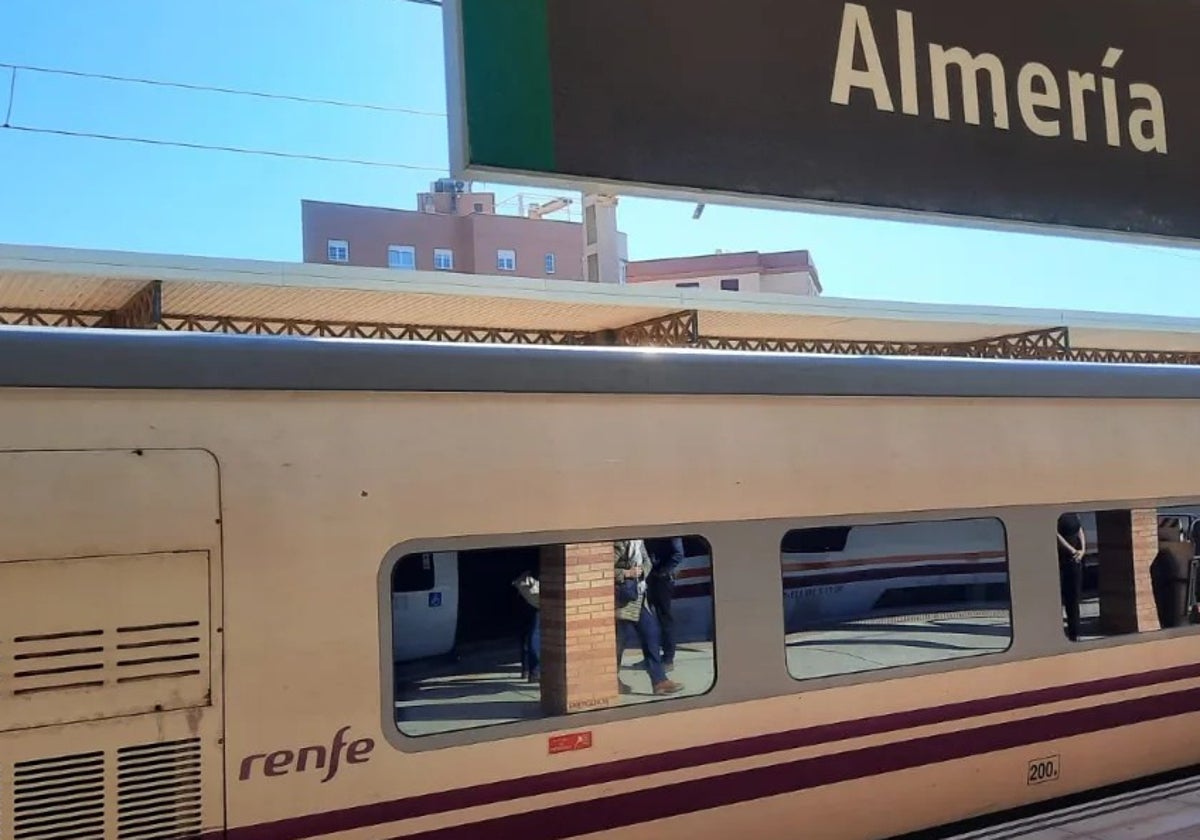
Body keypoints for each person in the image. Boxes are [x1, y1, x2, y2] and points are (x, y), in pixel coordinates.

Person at [614, 539, 683, 696]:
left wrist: (641, 572)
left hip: (639, 598)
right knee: (619, 644)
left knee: (651, 636)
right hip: (624, 601)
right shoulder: (620, 543)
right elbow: (603, 569)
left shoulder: (638, 541)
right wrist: (627, 573)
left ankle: (659, 682)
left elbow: (647, 561)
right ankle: (611, 681)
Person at [644, 537, 685, 671]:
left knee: (665, 617)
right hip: (648, 576)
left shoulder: (670, 534)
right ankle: (652, 658)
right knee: (646, 618)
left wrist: (663, 571)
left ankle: (668, 659)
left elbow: (678, 553)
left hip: (662, 578)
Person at [1056, 512, 1085, 641]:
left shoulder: (1074, 514)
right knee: (1063, 597)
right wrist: (1072, 550)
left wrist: (1082, 550)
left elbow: (1080, 530)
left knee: (1074, 597)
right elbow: (1055, 534)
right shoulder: (1058, 516)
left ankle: (1075, 632)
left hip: (1076, 559)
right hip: (1062, 558)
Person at [512, 571, 540, 681]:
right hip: (533, 606)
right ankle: (534, 671)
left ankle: (527, 670)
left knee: (526, 638)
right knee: (534, 638)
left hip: (524, 602)